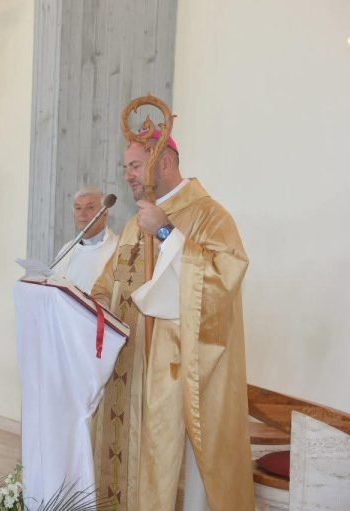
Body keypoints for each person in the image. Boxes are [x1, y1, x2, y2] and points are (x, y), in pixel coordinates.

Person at [90, 132, 254, 510]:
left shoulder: (210, 215)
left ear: (163, 162)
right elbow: (109, 281)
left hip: (179, 370)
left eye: (135, 166)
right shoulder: (135, 224)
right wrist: (95, 303)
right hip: (131, 372)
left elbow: (223, 280)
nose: (128, 175)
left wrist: (166, 233)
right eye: (126, 167)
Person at [52, 186, 118, 291]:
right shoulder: (67, 249)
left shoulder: (118, 249)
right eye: (78, 208)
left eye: (90, 207)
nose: (82, 213)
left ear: (105, 212)